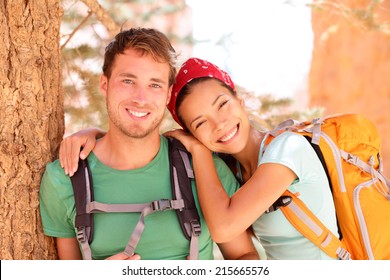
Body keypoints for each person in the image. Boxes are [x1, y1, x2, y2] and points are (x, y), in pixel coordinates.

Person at [59, 57, 339, 260]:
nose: (220, 124)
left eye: (223, 104)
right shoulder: (237, 173)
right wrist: (95, 135)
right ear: (191, 132)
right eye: (201, 123)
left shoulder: (287, 150)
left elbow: (223, 227)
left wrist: (200, 151)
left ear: (239, 100)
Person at [39, 28, 259, 260]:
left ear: (167, 94)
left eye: (154, 85)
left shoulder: (204, 170)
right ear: (104, 84)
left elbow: (244, 258)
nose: (141, 99)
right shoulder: (64, 179)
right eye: (128, 81)